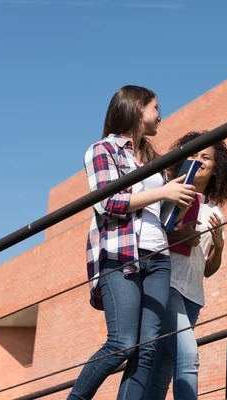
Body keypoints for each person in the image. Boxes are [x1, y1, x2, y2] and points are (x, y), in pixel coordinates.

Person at [68, 85, 196, 400]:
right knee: (122, 342)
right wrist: (163, 192)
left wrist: (174, 204)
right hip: (120, 254)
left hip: (158, 257)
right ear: (138, 106)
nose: (160, 116)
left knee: (147, 351)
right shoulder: (102, 149)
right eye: (156, 108)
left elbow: (154, 212)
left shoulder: (151, 157)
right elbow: (108, 203)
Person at [145, 131, 227, 400]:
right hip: (166, 284)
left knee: (162, 369)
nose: (198, 160)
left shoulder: (215, 213)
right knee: (188, 355)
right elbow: (153, 237)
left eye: (205, 157)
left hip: (193, 296)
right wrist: (177, 231)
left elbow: (208, 269)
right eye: (193, 154)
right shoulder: (169, 195)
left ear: (217, 168)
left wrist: (218, 246)